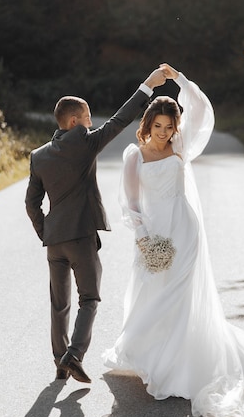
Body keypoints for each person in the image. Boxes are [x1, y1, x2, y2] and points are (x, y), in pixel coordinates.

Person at [102, 63, 244, 417]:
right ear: (148, 125)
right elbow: (130, 203)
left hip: (185, 228)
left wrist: (179, 80)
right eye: (158, 126)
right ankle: (154, 355)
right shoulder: (136, 155)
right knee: (155, 290)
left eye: (169, 126)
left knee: (180, 292)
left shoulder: (180, 146)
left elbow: (202, 111)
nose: (163, 132)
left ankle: (178, 365)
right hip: (155, 232)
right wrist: (144, 239)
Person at [25, 67, 167, 383]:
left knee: (59, 303)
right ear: (75, 121)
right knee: (89, 299)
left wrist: (45, 231)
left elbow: (31, 203)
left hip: (54, 241)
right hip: (81, 239)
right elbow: (120, 120)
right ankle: (74, 355)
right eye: (88, 117)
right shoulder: (85, 143)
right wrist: (147, 86)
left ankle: (60, 362)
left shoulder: (39, 156)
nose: (92, 123)